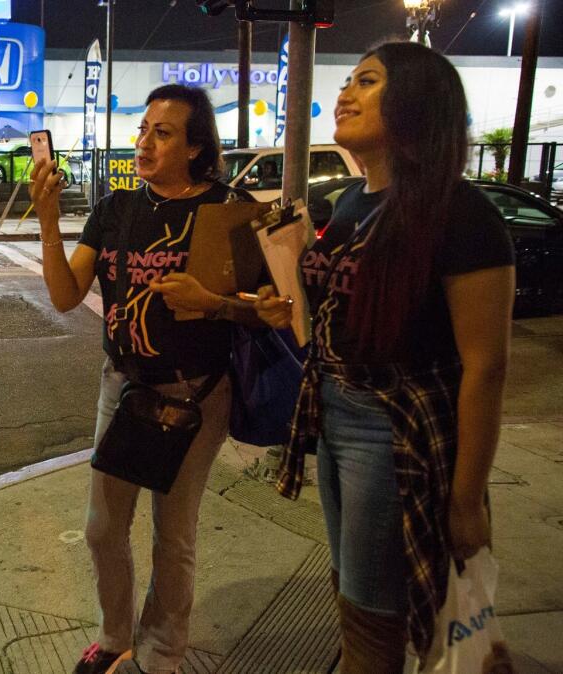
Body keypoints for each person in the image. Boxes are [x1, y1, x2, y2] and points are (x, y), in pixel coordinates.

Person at [254, 42, 515, 672]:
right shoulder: (349, 201)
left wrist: (466, 497)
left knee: (373, 616)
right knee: (354, 594)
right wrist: (282, 310)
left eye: (366, 81)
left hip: (395, 428)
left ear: (415, 103)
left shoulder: (463, 214)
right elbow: (337, 315)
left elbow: (486, 366)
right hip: (336, 414)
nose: (345, 93)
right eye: (348, 80)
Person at [30, 84, 260, 674]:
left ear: (195, 146)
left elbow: (263, 308)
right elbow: (63, 295)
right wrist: (50, 221)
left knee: (173, 535)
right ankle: (114, 638)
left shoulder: (226, 210)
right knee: (102, 528)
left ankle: (160, 655)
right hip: (124, 387)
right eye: (143, 129)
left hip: (197, 393)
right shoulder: (115, 210)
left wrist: (209, 300)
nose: (145, 142)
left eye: (163, 132)